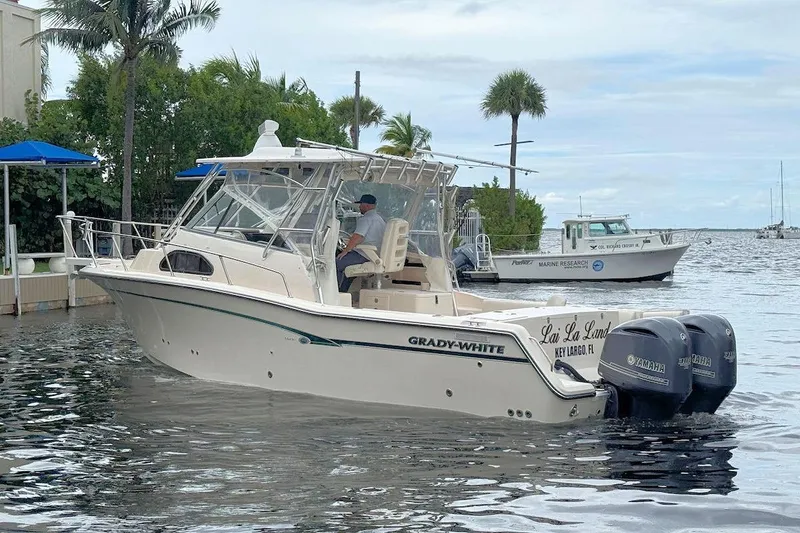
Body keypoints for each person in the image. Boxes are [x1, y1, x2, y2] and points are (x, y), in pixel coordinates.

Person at [336, 193, 386, 292]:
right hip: (375, 254)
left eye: (361, 205)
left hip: (364, 254)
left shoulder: (366, 219)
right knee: (347, 270)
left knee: (336, 263)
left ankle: (334, 292)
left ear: (366, 205)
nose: (359, 207)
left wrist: (345, 250)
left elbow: (358, 237)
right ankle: (343, 292)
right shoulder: (379, 219)